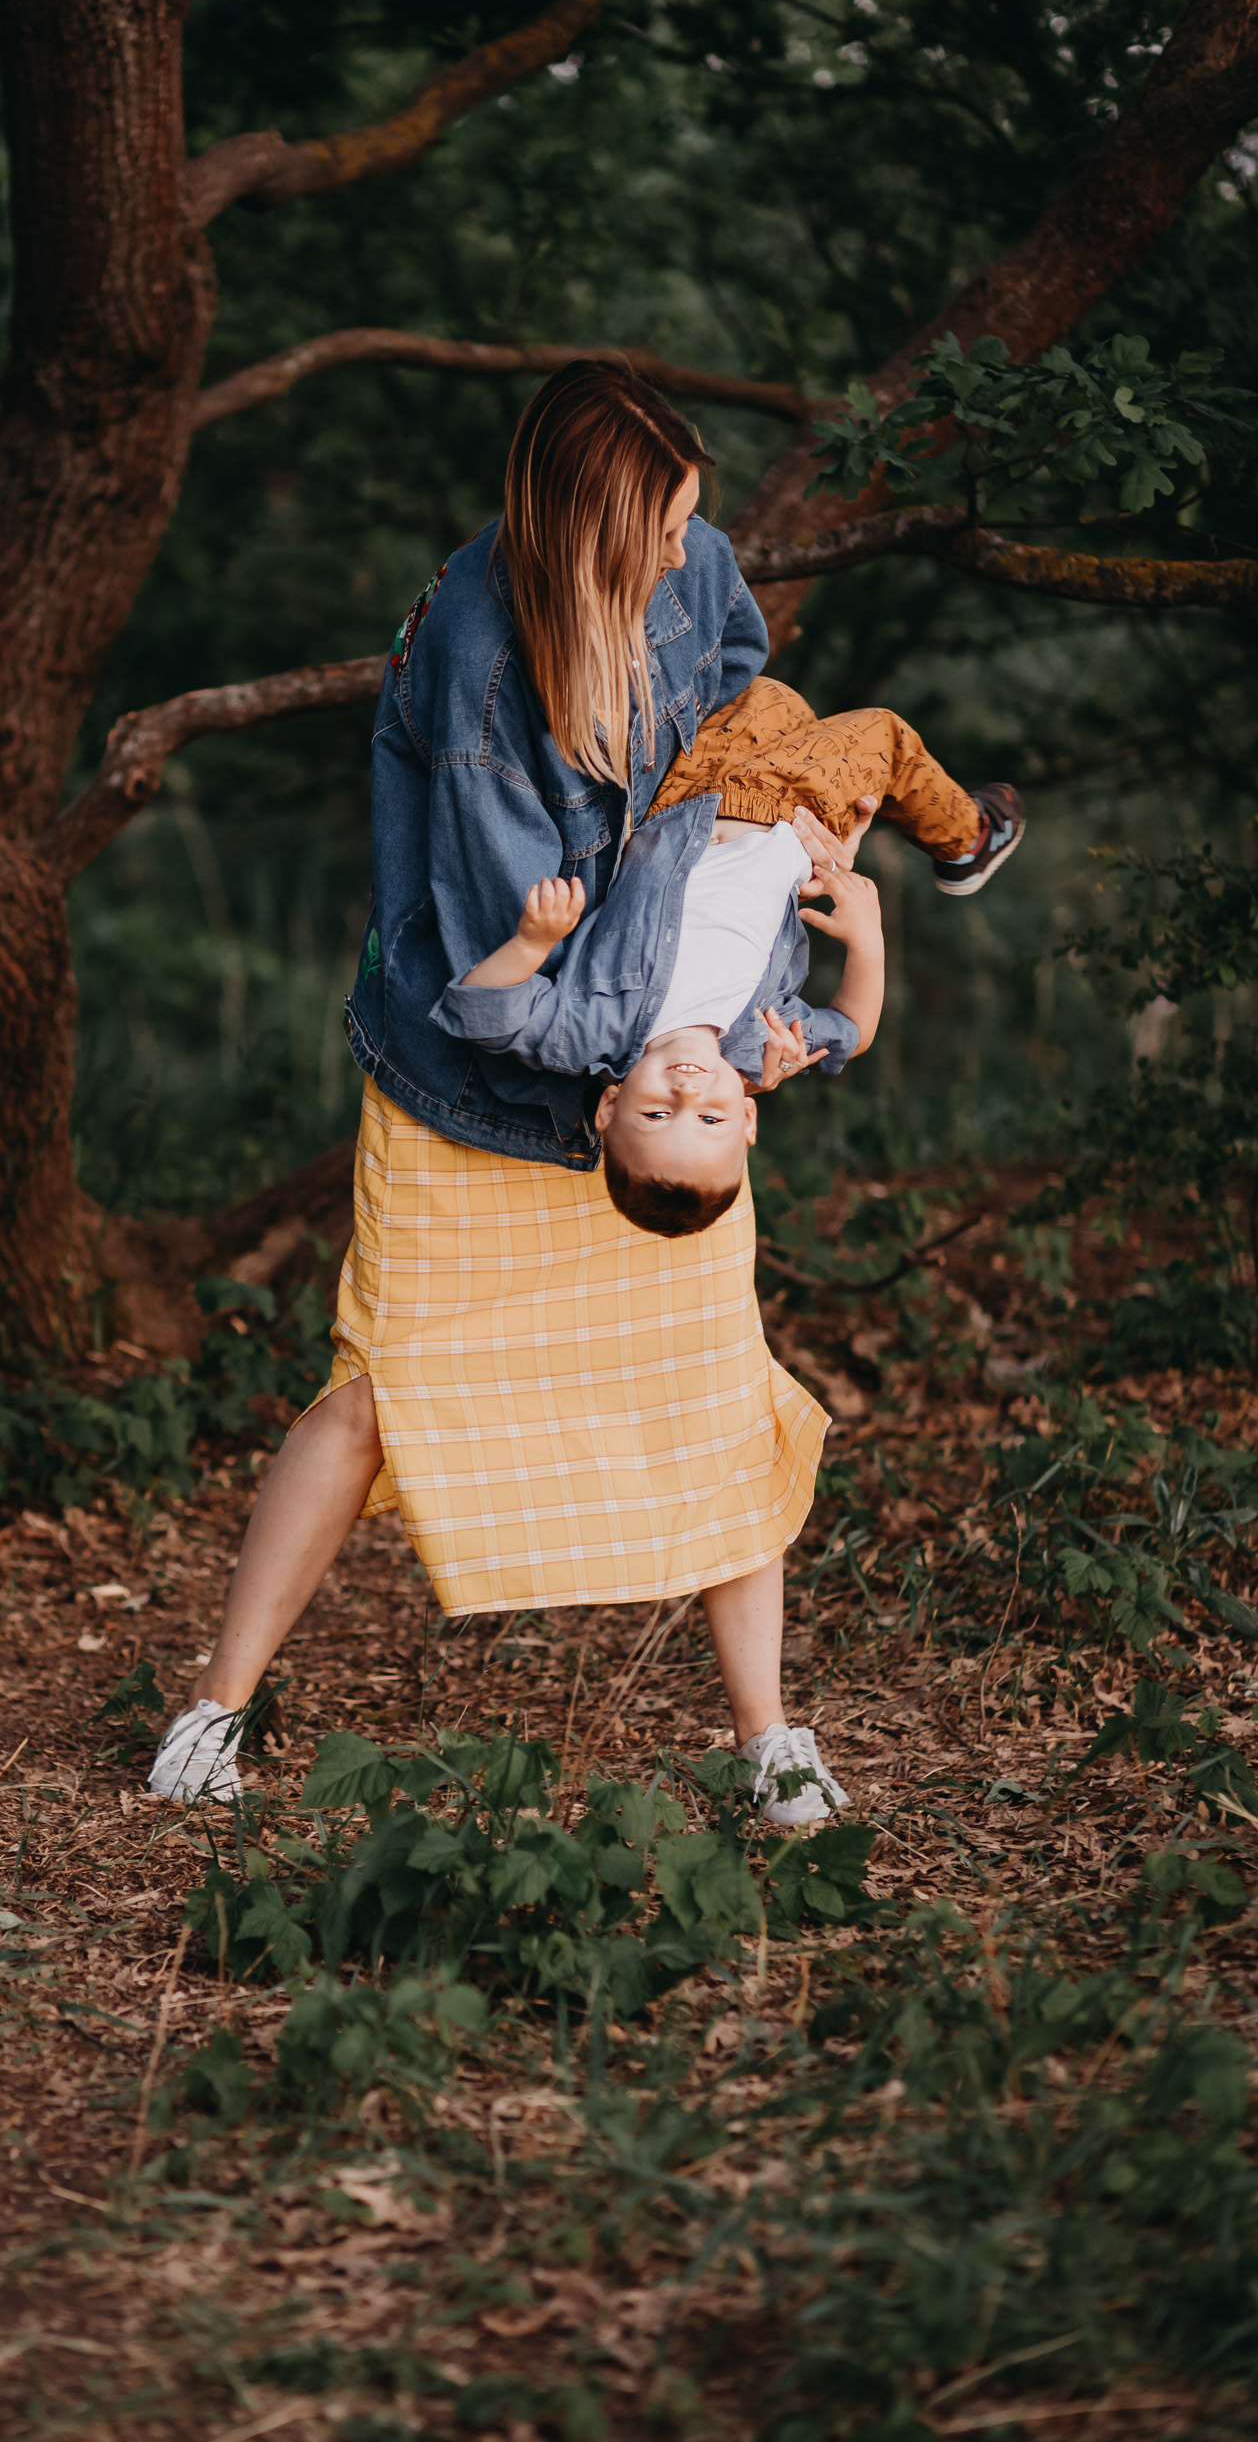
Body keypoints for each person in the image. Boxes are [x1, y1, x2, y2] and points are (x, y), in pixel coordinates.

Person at [148, 362, 848, 1828]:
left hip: (652, 1090)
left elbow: (742, 714)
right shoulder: (477, 661)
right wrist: (681, 1055)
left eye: (687, 525)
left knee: (714, 1391)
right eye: (656, 532)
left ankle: (768, 1735)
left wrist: (769, 935)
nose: (681, 553)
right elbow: (502, 965)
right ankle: (212, 1712)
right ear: (582, 531)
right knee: (377, 1400)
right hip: (489, 1082)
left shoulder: (691, 560)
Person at [436, 672, 1024, 1239]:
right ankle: (967, 839)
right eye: (710, 1119)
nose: (687, 1095)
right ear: (746, 1119)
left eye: (658, 1116)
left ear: (610, 1108)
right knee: (885, 735)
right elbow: (852, 1030)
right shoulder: (759, 1044)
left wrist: (532, 943)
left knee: (767, 694)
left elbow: (484, 1010)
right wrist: (867, 940)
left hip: (687, 799)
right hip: (799, 817)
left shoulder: (589, 1035)